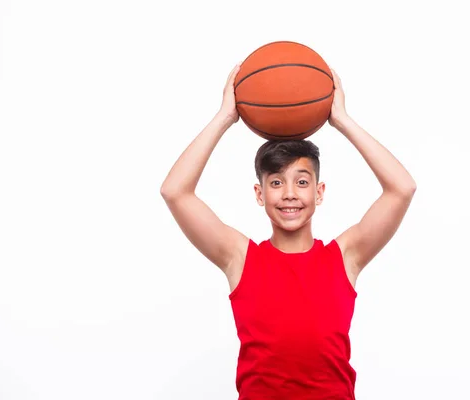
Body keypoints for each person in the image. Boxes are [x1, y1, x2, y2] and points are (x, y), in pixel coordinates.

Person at [160, 63, 417, 399]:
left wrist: (342, 120)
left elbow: (402, 188)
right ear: (260, 194)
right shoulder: (239, 257)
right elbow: (174, 191)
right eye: (277, 183)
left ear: (319, 192)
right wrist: (225, 116)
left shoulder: (346, 256)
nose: (290, 194)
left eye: (302, 182)